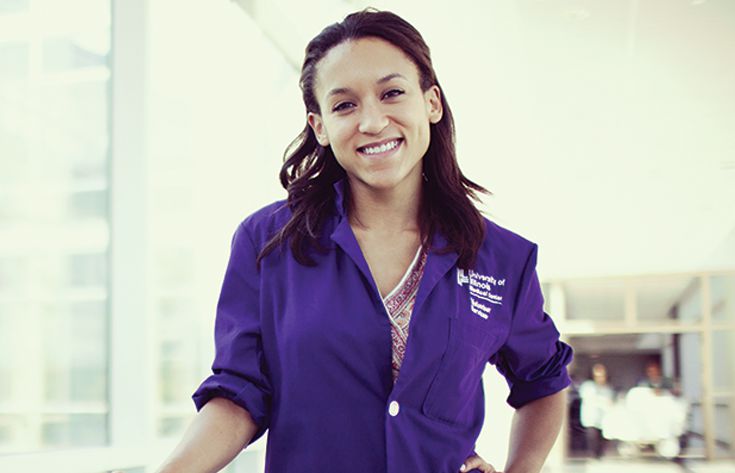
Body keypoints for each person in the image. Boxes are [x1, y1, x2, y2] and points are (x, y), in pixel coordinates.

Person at [155, 8, 573, 473]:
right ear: (320, 127)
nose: (372, 122)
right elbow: (239, 394)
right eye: (344, 105)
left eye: (392, 93)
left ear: (431, 102)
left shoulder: (502, 259)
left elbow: (544, 383)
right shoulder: (268, 243)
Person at [578, 363, 614, 459]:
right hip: (591, 417)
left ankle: (600, 455)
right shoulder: (588, 386)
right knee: (592, 437)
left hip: (603, 418)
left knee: (604, 438)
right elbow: (589, 399)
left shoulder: (607, 388)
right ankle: (593, 455)